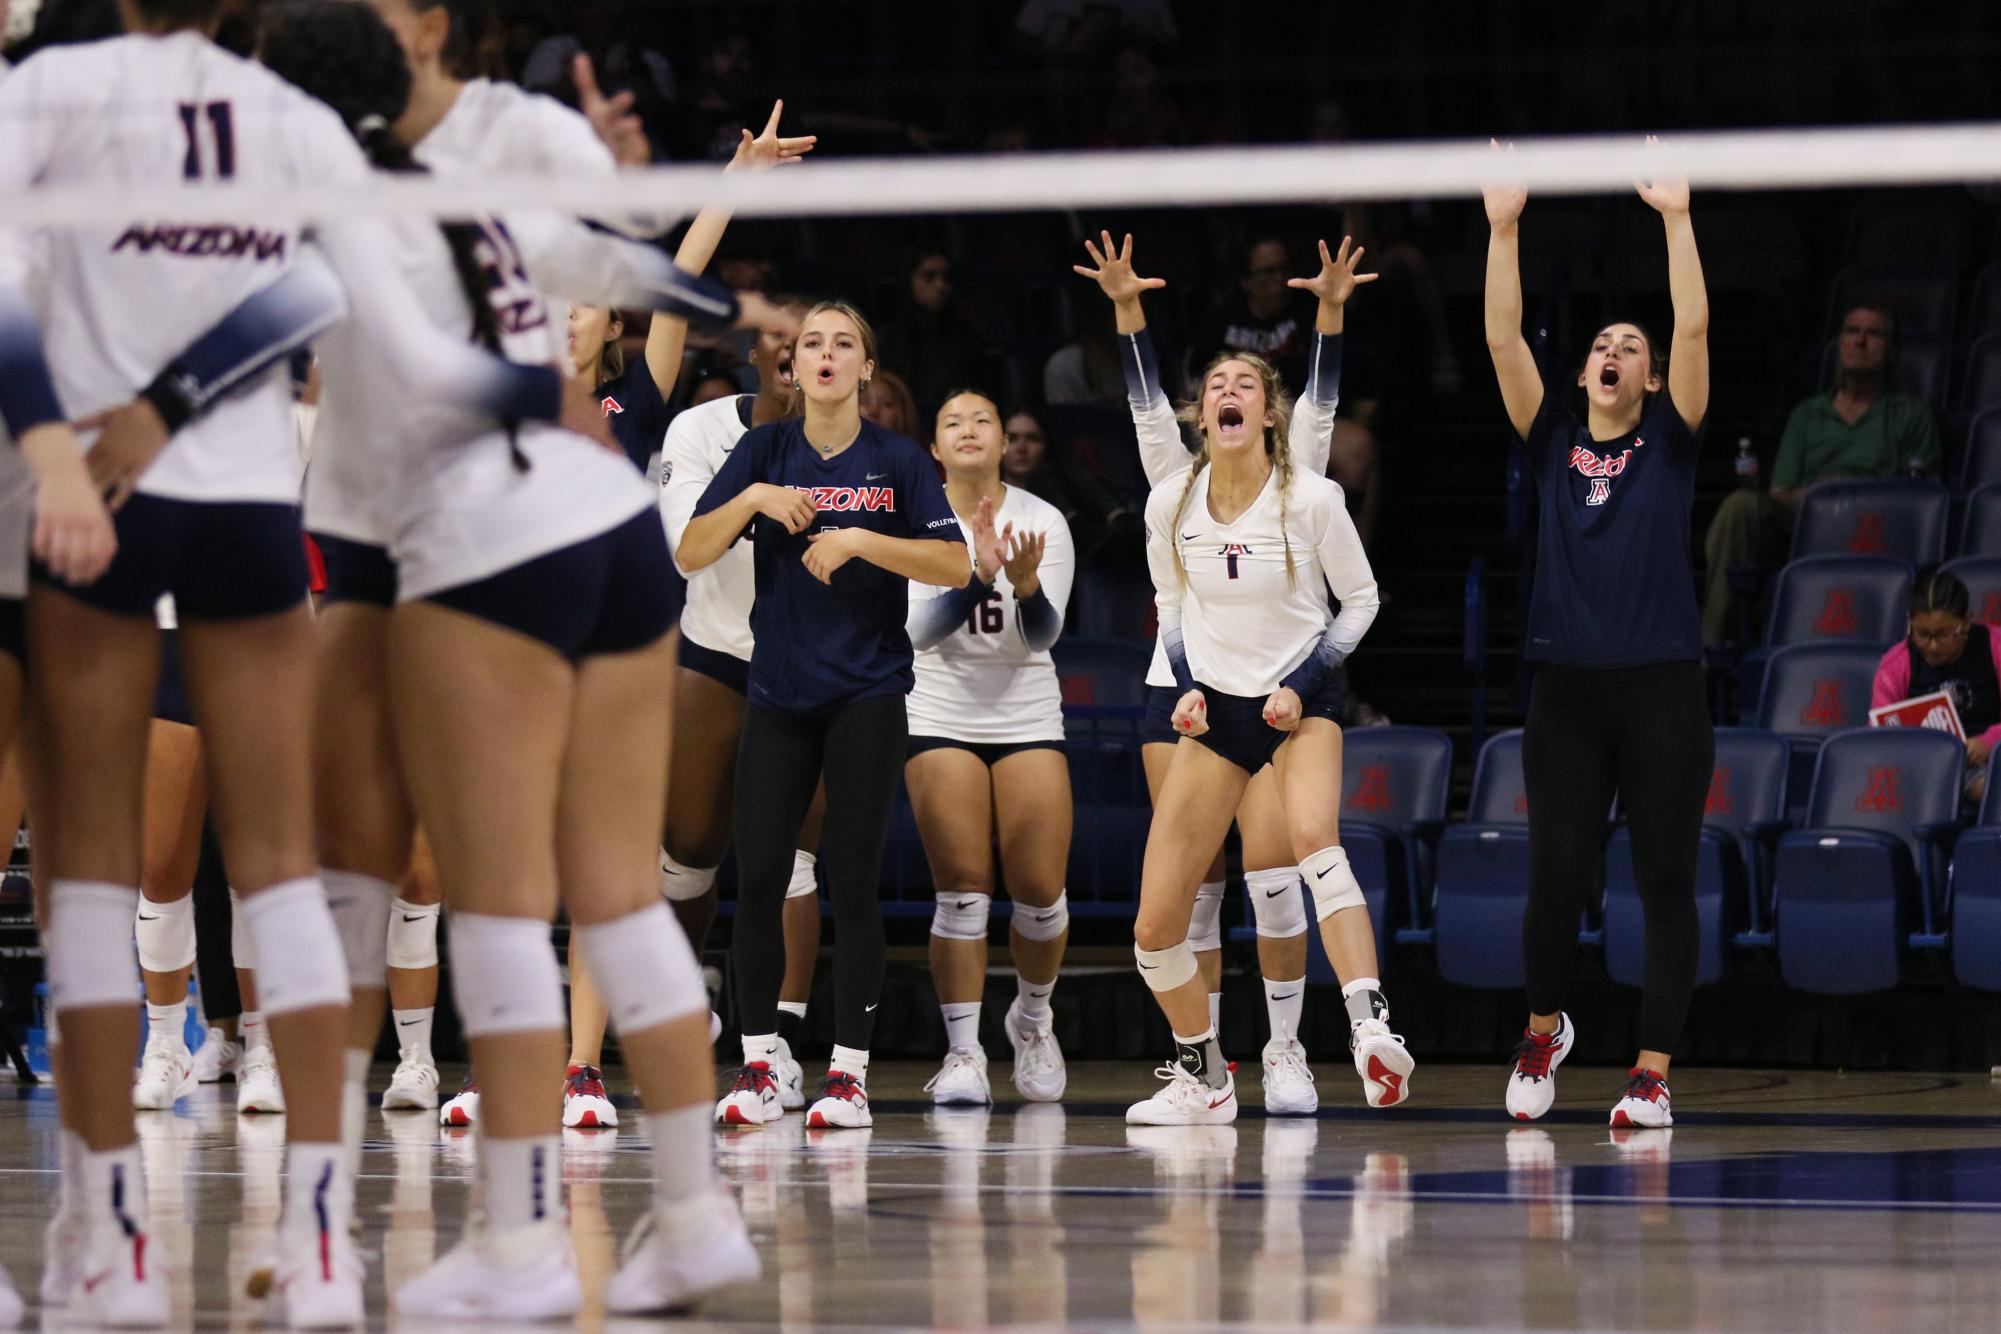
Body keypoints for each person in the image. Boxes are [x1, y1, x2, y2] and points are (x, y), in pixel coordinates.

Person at [0, 0, 615, 1320]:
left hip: (88, 505)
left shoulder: (55, 87)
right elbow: (356, 310)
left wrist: (56, 440)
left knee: (92, 879)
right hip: (243, 504)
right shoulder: (292, 118)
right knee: (282, 866)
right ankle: (323, 1242)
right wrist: (538, 397)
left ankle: (110, 1242)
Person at [256, 3, 774, 1318]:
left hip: (482, 528)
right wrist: (713, 296)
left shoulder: (350, 192)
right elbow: (624, 273)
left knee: (475, 897)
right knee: (610, 891)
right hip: (607, 526)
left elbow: (428, 353)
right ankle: (696, 1216)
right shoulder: (461, 184)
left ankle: (516, 1237)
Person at [1077, 233, 1408, 1126]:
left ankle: (1364, 1028)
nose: (1228, 393)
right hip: (1211, 707)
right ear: (1199, 413)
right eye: (1215, 385)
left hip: (1297, 697)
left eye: (1246, 385)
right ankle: (1205, 1073)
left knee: (1306, 847)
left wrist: (1330, 314)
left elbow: (1363, 596)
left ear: (1269, 412)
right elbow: (1168, 600)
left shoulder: (1307, 491)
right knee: (1155, 930)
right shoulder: (1168, 497)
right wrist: (1182, 678)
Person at [558, 102, 813, 1132]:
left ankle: (580, 1071)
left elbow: (675, 276)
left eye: (579, 305)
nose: (561, 317)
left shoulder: (633, 409)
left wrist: (734, 181)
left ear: (610, 326)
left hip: (616, 669)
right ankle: (512, 1057)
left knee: (606, 868)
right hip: (516, 663)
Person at [682, 302, 971, 1130]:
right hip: (776, 691)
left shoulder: (897, 459)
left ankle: (847, 1075)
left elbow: (953, 562)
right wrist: (757, 500)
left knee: (849, 877)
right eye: (812, 342)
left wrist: (859, 541)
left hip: (867, 694)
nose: (826, 353)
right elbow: (690, 551)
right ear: (792, 365)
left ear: (866, 369)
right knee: (761, 877)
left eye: (844, 342)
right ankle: (761, 1066)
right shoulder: (765, 450)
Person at [1483, 139, 1714, 1129]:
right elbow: (1500, 340)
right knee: (1554, 880)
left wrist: (1676, 218)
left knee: (1663, 877)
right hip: (1567, 692)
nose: (1617, 351)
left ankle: (1651, 1072)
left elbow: (1694, 320)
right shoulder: (1550, 441)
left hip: (1662, 687)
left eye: (1634, 346)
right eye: (1603, 343)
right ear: (1582, 370)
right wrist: (1503, 229)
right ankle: (1545, 1027)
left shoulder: (1670, 439)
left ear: (1653, 380)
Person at [661, 315, 832, 1114]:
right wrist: (761, 492)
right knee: (689, 851)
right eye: (787, 339)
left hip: (809, 663)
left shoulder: (855, 442)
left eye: (822, 341)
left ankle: (782, 1048)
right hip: (716, 653)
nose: (802, 353)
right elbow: (686, 546)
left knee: (790, 861)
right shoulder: (699, 428)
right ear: (762, 356)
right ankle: (681, 1000)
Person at [907, 389, 1076, 1107]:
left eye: (983, 420)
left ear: (1005, 441)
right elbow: (915, 633)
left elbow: (1040, 636)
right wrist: (975, 574)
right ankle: (963, 1052)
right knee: (964, 889)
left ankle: (1031, 1019)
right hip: (939, 705)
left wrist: (1026, 584)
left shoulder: (1042, 519)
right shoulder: (914, 516)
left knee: (1039, 893)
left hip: (1025, 704)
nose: (969, 430)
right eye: (952, 422)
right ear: (934, 449)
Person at [1700, 301, 1942, 644]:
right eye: (1852, 331)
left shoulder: (1911, 415)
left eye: (1873, 334)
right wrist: (1820, 499)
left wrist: (1851, 491)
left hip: (1873, 525)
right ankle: (1710, 649)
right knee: (1741, 505)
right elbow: (1780, 493)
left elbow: (1919, 500)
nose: (1860, 341)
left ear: (1890, 351)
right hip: (1806, 519)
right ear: (1839, 344)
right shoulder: (1807, 415)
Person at [1196, 235, 1382, 546]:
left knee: (1361, 448)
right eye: (1267, 272)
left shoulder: (1309, 310)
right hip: (1238, 430)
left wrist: (1332, 303)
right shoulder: (1220, 322)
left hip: (1302, 423)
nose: (1278, 280)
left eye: (1283, 270)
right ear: (1245, 280)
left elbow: (1351, 375)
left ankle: (1344, 560)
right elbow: (1194, 390)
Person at [1874, 571, 2000, 807]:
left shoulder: (1995, 647)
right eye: (1922, 634)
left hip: (1991, 759)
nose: (1932, 646)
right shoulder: (1896, 663)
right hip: (1922, 768)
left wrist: (1989, 742)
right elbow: (1881, 731)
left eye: (1943, 635)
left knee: (1993, 787)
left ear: (1966, 622)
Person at [877, 249, 992, 422]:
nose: (940, 286)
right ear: (909, 281)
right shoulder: (888, 340)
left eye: (946, 278)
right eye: (929, 277)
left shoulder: (966, 339)